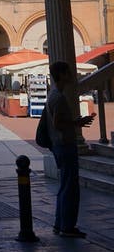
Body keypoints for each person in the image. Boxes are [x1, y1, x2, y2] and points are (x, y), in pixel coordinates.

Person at [46, 60, 95, 238]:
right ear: (63, 74)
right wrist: (76, 123)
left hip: (59, 145)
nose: (71, 75)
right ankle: (67, 226)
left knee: (64, 186)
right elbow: (58, 123)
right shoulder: (58, 97)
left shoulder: (52, 95)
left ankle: (60, 224)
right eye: (68, 72)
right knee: (70, 186)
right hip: (65, 144)